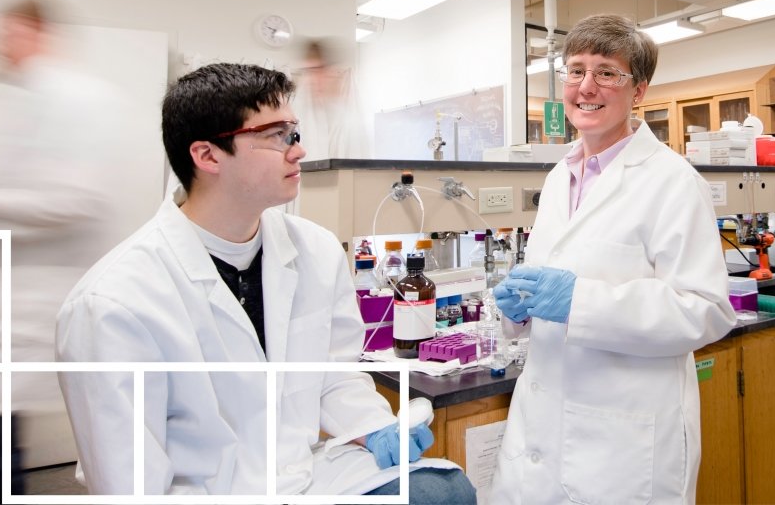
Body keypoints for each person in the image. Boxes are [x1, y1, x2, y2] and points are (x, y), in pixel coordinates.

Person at [55, 63, 475, 500]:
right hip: (204, 494)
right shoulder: (112, 302)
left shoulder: (315, 249)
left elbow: (333, 374)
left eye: (294, 133)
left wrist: (372, 426)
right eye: (278, 136)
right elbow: (129, 481)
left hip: (303, 477)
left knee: (442, 491)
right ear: (207, 156)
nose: (298, 150)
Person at [487, 14, 737, 504]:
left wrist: (579, 302)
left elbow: (706, 309)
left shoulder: (672, 181)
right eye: (575, 70)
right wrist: (518, 309)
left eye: (606, 72)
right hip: (539, 430)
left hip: (622, 445)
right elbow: (550, 283)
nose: (586, 86)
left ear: (638, 91)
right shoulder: (560, 175)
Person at [0, 0, 129, 503]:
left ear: (39, 32)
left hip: (34, 293)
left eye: (10, 32)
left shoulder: (73, 96)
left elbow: (72, 198)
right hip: (1, 300)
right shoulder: (15, 96)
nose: (0, 43)